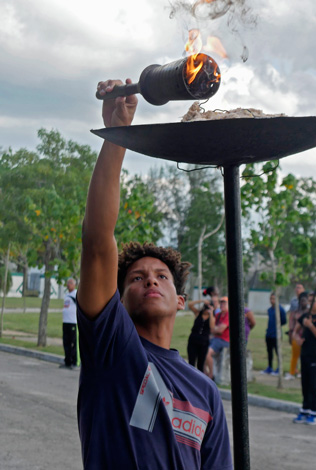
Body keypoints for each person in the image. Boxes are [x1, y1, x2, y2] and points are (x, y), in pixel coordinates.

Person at [76, 80, 230, 469]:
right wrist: (118, 134)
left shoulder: (205, 392)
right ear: (118, 299)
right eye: (135, 278)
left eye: (162, 277)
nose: (150, 280)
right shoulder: (113, 348)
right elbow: (97, 243)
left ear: (181, 301)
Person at [293, 294, 316, 425]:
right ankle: (305, 409)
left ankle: (315, 412)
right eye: (309, 300)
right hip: (305, 353)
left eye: (314, 300)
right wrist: (297, 338)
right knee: (305, 383)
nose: (311, 303)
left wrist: (310, 326)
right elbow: (294, 331)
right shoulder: (305, 316)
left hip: (315, 354)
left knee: (315, 383)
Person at [186, 299, 215, 374]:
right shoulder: (198, 313)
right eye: (205, 307)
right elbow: (190, 305)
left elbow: (212, 326)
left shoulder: (212, 317)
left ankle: (199, 381)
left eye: (208, 307)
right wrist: (201, 301)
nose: (206, 309)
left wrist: (211, 313)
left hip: (204, 343)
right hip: (193, 341)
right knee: (191, 362)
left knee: (201, 364)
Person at [205, 297, 230, 381]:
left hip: (224, 340)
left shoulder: (228, 315)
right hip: (216, 338)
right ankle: (204, 372)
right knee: (201, 346)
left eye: (224, 303)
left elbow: (220, 330)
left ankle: (211, 375)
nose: (222, 305)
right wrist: (215, 329)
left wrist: (215, 329)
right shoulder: (218, 315)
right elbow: (211, 328)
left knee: (207, 352)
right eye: (221, 303)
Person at [262, 292, 286, 375]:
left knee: (277, 352)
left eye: (274, 299)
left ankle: (279, 368)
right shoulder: (269, 310)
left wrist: (278, 326)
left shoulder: (280, 309)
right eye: (271, 298)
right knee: (269, 352)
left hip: (276, 335)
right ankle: (270, 367)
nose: (272, 300)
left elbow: (284, 321)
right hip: (269, 334)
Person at [287, 292, 309, 379]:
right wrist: (290, 335)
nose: (303, 303)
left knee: (305, 356)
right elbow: (291, 324)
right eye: (301, 301)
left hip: (306, 337)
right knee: (295, 356)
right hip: (296, 337)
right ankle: (292, 372)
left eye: (305, 301)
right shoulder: (295, 313)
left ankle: (303, 373)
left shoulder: (309, 313)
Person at [61, 278, 78, 369]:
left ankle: (74, 361)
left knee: (73, 342)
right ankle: (67, 361)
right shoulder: (67, 295)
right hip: (65, 322)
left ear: (74, 284)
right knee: (66, 342)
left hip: (73, 322)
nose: (68, 284)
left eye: (70, 283)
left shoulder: (76, 294)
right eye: (68, 283)